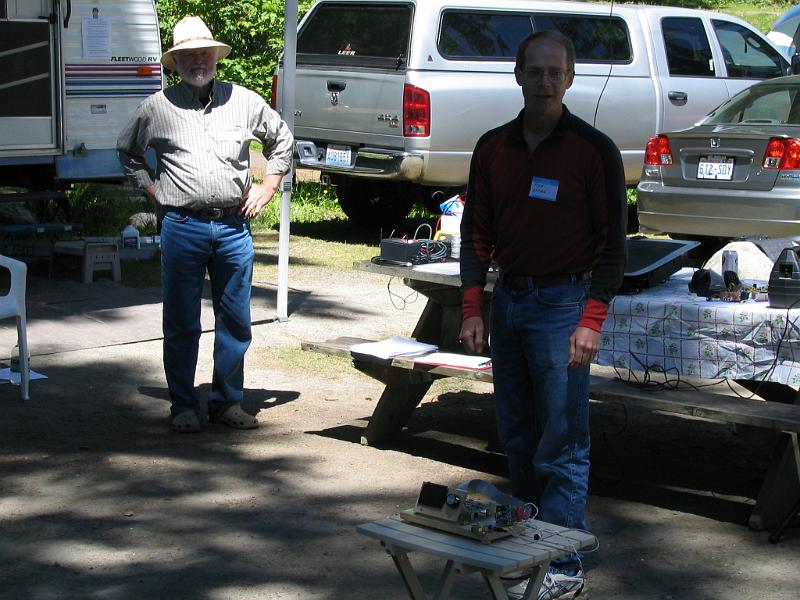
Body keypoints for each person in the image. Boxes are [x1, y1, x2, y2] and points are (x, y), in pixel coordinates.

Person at [459, 31, 627, 599]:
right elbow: (475, 231)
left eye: (555, 72)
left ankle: (564, 562)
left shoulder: (593, 149)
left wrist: (592, 319)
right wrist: (473, 304)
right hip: (509, 304)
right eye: (535, 71)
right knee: (518, 436)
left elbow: (614, 245)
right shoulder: (493, 147)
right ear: (518, 75)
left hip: (564, 308)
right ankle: (531, 543)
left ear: (570, 78)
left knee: (563, 442)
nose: (545, 82)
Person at [117, 16, 294, 433]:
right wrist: (151, 189)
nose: (198, 60)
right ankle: (182, 405)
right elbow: (127, 151)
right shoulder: (156, 108)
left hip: (234, 228)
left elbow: (282, 139)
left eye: (204, 53)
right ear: (175, 62)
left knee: (235, 319)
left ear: (215, 57)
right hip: (183, 225)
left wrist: (269, 185)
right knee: (181, 321)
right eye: (188, 55)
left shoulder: (244, 101)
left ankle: (227, 402)